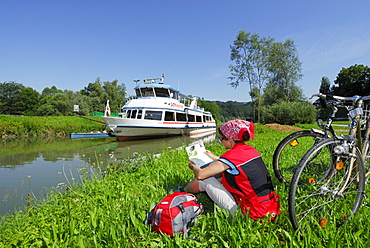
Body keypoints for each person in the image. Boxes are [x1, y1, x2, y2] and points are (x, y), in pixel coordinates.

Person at [183, 119, 280, 220]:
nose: (221, 142)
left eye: (221, 139)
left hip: (251, 213)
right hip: (269, 207)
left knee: (205, 179)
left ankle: (183, 191)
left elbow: (200, 175)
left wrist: (193, 167)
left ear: (230, 140)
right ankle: (189, 190)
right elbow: (234, 163)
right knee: (223, 175)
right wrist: (212, 156)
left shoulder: (230, 156)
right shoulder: (250, 150)